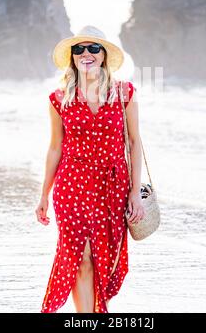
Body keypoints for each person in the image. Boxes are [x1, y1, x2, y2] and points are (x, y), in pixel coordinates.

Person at [36, 25, 145, 313]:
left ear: (104, 55)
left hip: (113, 185)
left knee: (103, 259)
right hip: (72, 184)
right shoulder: (59, 98)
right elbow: (55, 147)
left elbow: (134, 143)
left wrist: (135, 192)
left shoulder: (124, 92)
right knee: (80, 258)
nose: (86, 53)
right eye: (79, 49)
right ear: (72, 56)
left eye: (94, 48)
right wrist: (44, 195)